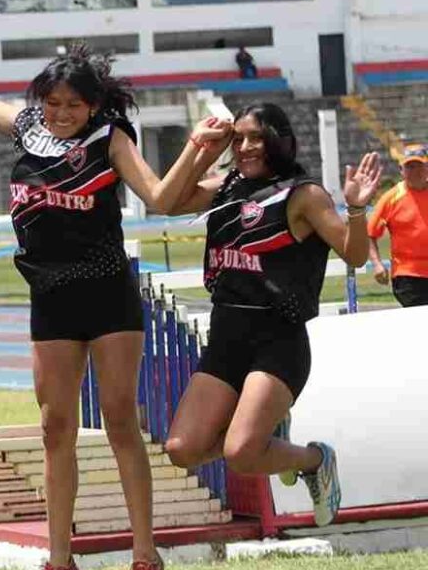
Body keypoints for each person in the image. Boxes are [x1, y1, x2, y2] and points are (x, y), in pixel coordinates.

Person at [0, 11, 213, 570]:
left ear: (94, 105)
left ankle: (145, 556)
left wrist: (199, 151)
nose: (61, 112)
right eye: (52, 102)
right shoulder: (27, 129)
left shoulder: (111, 138)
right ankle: (59, 560)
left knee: (122, 421)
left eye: (73, 104)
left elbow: (156, 197)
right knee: (55, 429)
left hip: (106, 296)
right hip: (48, 298)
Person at [163, 103, 381, 528]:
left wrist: (355, 209)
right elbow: (167, 201)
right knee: (181, 449)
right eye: (238, 137)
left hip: (277, 340)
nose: (245, 147)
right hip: (226, 336)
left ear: (278, 141)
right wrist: (203, 147)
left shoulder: (304, 194)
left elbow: (354, 254)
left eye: (255, 137)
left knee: (242, 454)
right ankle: (268, 435)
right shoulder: (225, 187)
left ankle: (315, 460)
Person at [368, 143, 428, 307]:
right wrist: (377, 264)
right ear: (401, 171)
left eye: (419, 166)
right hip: (408, 276)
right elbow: (370, 235)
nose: (415, 171)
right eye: (410, 167)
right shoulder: (391, 198)